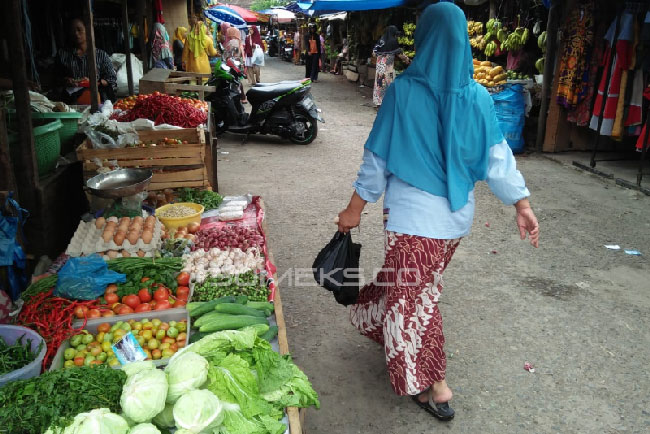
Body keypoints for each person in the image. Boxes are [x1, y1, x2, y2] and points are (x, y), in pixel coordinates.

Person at [337, 3, 539, 422]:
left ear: (426, 38)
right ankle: (380, 325)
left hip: (412, 222)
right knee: (414, 287)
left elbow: (377, 159)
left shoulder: (403, 91)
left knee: (417, 299)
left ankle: (435, 385)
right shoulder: (480, 98)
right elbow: (497, 158)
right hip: (453, 223)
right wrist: (520, 202)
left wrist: (354, 209)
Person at [54, 17, 117, 104]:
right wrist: (67, 80)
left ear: (87, 31)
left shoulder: (100, 54)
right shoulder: (63, 54)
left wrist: (95, 83)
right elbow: (56, 77)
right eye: (73, 31)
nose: (76, 34)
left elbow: (111, 78)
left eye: (79, 30)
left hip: (96, 99)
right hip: (71, 101)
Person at [372, 25, 411, 107]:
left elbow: (374, 53)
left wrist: (382, 55)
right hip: (387, 66)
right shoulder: (393, 41)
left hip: (380, 66)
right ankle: (388, 102)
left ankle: (379, 102)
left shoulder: (381, 40)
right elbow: (399, 53)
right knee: (388, 82)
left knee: (379, 83)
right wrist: (408, 61)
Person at [222, 26, 248, 104]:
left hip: (233, 64)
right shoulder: (238, 41)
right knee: (237, 81)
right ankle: (242, 97)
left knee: (235, 81)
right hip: (237, 63)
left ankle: (241, 97)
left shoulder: (233, 42)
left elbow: (228, 54)